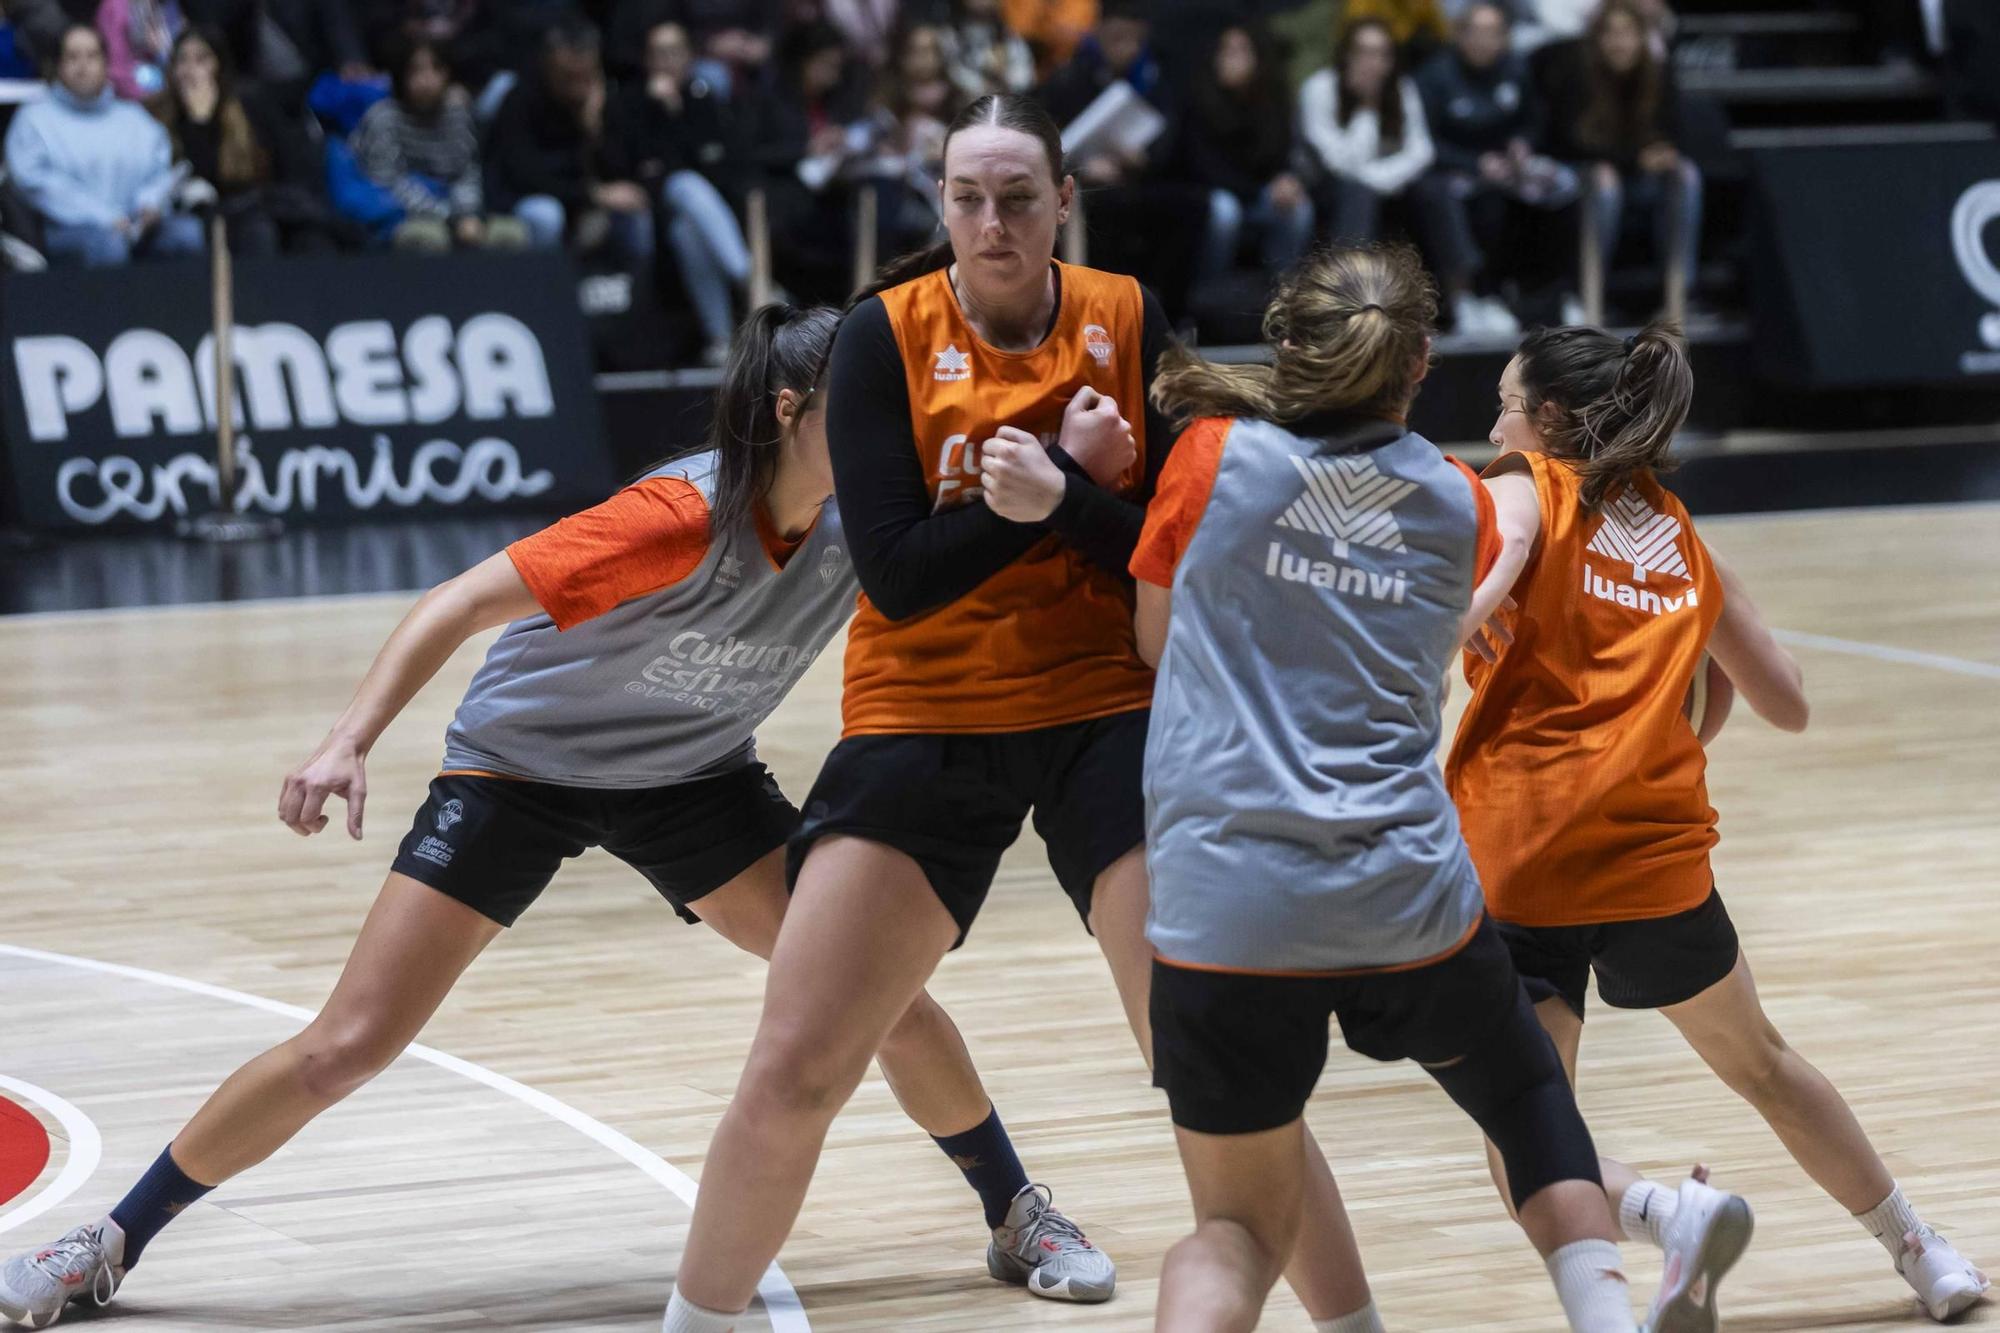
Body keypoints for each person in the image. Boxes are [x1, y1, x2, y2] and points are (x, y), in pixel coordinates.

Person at [0, 304, 1109, 1333]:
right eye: (870, 402)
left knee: (883, 995)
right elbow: (459, 601)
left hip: (691, 777)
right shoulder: (676, 513)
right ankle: (108, 1242)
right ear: (791, 411)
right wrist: (346, 740)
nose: (896, 425)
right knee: (348, 1043)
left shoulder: (869, 522)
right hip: (517, 770)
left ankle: (1016, 1212)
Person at [660, 91, 1388, 1333]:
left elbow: (1167, 556)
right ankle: (696, 1319)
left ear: (1063, 201)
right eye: (963, 197)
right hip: (924, 709)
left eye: (1014, 196)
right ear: (937, 204)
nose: (988, 221)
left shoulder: (1128, 317)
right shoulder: (881, 339)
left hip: (1110, 708)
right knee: (796, 1066)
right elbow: (893, 570)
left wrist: (1057, 498)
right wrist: (1045, 490)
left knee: (1216, 1064)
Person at [1130, 241, 1657, 1333]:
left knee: (1233, 1232)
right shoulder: (1460, 501)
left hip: (1226, 906)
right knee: (1526, 1107)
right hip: (1400, 887)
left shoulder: (1210, 455)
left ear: (1287, 343)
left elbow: (1150, 638)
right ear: (1421, 364)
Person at [1448, 321, 1993, 1327]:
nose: (1493, 418)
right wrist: (1684, 697)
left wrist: (1459, 606)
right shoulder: (1679, 537)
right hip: (1654, 855)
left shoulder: (1517, 484)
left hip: (1520, 855)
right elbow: (1783, 700)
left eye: (1505, 398)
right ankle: (1923, 1251)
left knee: (1522, 1138)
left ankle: (1671, 1212)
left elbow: (1509, 529)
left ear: (1550, 419)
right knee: (1764, 1065)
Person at [1414, 1, 1577, 334]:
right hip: (1453, 168)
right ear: (1459, 35)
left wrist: (1522, 143)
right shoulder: (1434, 76)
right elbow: (1424, 143)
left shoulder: (1516, 69)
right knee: (1462, 196)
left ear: (1505, 38)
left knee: (1566, 185)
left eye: (1492, 33)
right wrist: (1474, 163)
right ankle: (1471, 297)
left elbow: (1535, 121)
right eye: (1475, 32)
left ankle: (1560, 292)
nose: (1483, 41)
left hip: (1509, 166)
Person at [1037, 0, 1206, 319]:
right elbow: (1052, 138)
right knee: (1102, 210)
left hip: (1145, 179)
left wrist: (1144, 160)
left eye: (1132, 39)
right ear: (1099, 33)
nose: (1124, 48)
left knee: (1194, 206)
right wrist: (1084, 167)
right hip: (1086, 185)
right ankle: (1104, 311)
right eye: (1116, 38)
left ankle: (1172, 315)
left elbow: (1175, 141)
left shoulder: (1160, 76)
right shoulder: (1071, 76)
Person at [602, 19, 754, 365]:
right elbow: (634, 168)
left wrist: (675, 114)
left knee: (689, 230)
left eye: (674, 52)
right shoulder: (631, 105)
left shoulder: (702, 99)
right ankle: (750, 276)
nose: (666, 61)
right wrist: (660, 114)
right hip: (649, 214)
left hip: (698, 219)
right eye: (658, 53)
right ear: (646, 60)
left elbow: (716, 165)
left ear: (689, 56)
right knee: (683, 185)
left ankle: (721, 339)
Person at [1540, 0, 1700, 314]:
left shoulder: (1658, 74)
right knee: (1604, 180)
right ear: (1597, 39)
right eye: (1611, 34)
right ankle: (1587, 296)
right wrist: (1636, 160)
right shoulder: (1577, 73)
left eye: (1627, 34)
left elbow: (1675, 132)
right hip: (1577, 175)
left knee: (1685, 173)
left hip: (1637, 176)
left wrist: (1664, 154)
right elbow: (1567, 143)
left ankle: (1678, 295)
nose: (1619, 43)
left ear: (1642, 38)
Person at [4, 24, 205, 267]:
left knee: (188, 234)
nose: (83, 66)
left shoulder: (134, 118)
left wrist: (149, 203)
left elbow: (160, 171)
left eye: (91, 55)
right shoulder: (34, 119)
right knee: (109, 245)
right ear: (58, 65)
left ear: (106, 63)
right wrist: (105, 218)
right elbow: (36, 184)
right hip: (66, 232)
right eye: (73, 57)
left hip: (136, 227)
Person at [149, 27, 350, 256]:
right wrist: (199, 124)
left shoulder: (251, 105)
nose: (190, 71)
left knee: (312, 239)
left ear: (219, 65)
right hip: (215, 217)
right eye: (182, 60)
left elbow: (289, 164)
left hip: (267, 204)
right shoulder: (162, 119)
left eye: (201, 59)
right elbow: (202, 188)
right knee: (257, 231)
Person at [485, 20, 649, 264]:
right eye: (568, 77)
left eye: (586, 76)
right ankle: (545, 294)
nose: (578, 87)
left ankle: (638, 296)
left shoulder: (605, 100)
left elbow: (623, 171)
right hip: (529, 200)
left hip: (585, 202)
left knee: (635, 209)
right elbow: (525, 176)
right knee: (547, 214)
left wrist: (594, 131)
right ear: (548, 66)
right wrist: (592, 194)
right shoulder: (520, 100)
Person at [352, 35, 529, 253]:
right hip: (398, 216)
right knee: (429, 239)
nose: (427, 79)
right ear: (400, 75)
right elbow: (388, 182)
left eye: (436, 69)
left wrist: (468, 214)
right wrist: (449, 219)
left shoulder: (457, 115)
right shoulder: (383, 117)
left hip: (455, 211)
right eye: (416, 70)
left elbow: (465, 172)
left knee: (511, 234)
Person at [1183, 22, 1315, 284]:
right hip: (1210, 193)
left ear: (1258, 58)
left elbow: (1279, 156)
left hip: (1256, 194)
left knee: (1298, 208)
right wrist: (1258, 189)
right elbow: (1203, 168)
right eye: (1226, 50)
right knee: (1225, 211)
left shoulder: (1272, 100)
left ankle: (1284, 297)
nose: (1231, 58)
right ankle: (1207, 295)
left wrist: (1286, 179)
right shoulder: (1198, 97)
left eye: (1241, 51)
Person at [1298, 18, 1439, 249]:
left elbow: (1422, 151)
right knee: (1357, 192)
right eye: (1363, 52)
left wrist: (1378, 179)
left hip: (1387, 182)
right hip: (1326, 186)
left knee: (1435, 190)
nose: (1372, 62)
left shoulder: (1401, 88)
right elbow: (1341, 165)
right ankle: (1351, 278)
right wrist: (1366, 108)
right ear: (1346, 55)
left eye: (1381, 53)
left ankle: (1459, 282)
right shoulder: (1319, 88)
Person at [938, 0, 1036, 100]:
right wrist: (980, 85)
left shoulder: (1007, 32)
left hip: (1007, 94)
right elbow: (954, 69)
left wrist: (1007, 77)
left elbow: (1024, 71)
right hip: (969, 98)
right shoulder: (953, 34)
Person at [95, 0, 182, 99]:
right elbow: (116, 69)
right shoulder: (114, 7)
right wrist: (143, 97)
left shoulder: (162, 6)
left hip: (158, 86)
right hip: (127, 94)